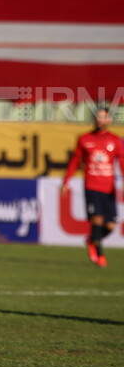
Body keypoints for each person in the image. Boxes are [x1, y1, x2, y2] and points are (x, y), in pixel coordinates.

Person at [61, 107, 124, 267]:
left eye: (104, 117)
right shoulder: (84, 139)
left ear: (109, 120)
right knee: (97, 219)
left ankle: (92, 240)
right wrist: (66, 181)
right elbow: (75, 161)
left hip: (109, 188)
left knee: (110, 226)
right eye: (98, 117)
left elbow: (122, 163)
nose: (101, 120)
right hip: (92, 186)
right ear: (94, 119)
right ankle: (100, 255)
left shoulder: (116, 140)